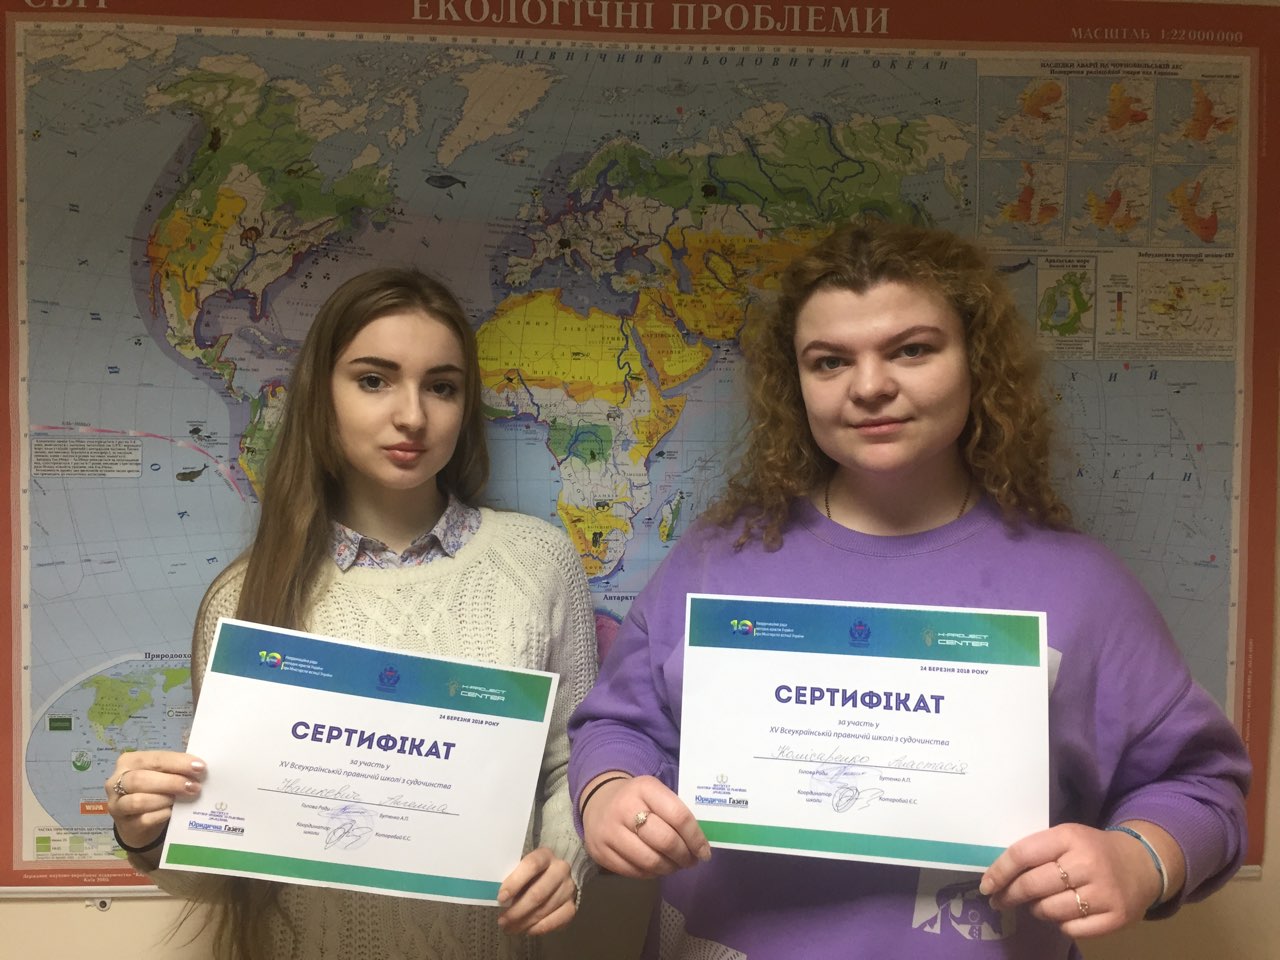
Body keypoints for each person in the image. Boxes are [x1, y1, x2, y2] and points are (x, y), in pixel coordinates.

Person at [567, 221, 1250, 958]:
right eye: (830, 361)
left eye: (912, 350)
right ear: (796, 384)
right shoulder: (717, 559)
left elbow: (1202, 788)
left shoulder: (1081, 586)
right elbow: (619, 727)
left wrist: (1140, 859)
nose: (869, 387)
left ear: (976, 362)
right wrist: (608, 793)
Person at [105, 268, 597, 960]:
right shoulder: (244, 596)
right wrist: (147, 831)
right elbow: (223, 863)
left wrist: (565, 861)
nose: (413, 416)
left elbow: (573, 764)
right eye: (374, 380)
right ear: (321, 396)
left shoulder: (538, 562)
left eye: (442, 387)